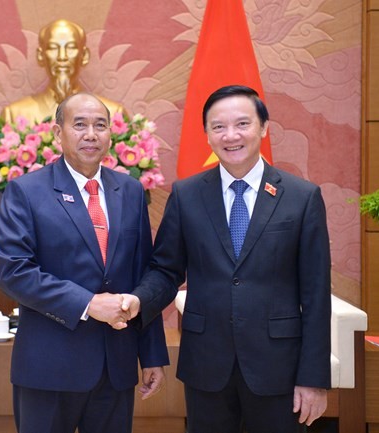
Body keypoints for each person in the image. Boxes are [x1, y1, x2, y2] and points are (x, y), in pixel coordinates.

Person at [123, 85, 332, 433]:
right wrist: (137, 300)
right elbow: (165, 270)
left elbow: (315, 293)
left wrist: (313, 378)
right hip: (207, 365)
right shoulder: (187, 195)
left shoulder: (301, 197)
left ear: (264, 128)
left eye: (242, 124)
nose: (230, 135)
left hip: (278, 367)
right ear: (206, 134)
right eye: (218, 126)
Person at [0, 92, 168, 433]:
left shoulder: (130, 191)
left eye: (100, 125)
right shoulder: (26, 192)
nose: (91, 134)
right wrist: (88, 304)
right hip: (49, 367)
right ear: (57, 134)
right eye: (80, 125)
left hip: (115, 367)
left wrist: (152, 356)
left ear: (110, 134)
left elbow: (144, 276)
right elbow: (14, 271)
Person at [2, 19, 126, 124]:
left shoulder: (113, 114)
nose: (62, 57)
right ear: (40, 56)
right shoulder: (14, 115)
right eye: (53, 48)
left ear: (84, 55)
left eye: (71, 48)